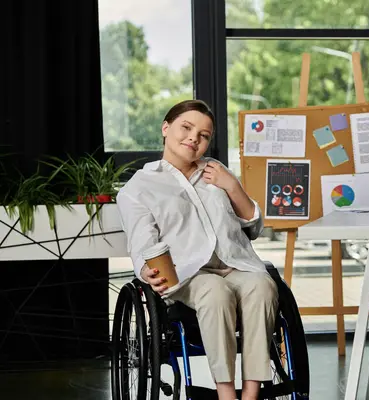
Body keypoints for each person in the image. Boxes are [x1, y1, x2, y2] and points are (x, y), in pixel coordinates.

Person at [116, 99, 278, 400]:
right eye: (186, 128)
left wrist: (232, 186)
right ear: (166, 128)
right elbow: (142, 243)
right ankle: (227, 393)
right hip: (189, 273)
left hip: (235, 264)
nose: (194, 138)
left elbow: (253, 229)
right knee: (215, 291)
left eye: (203, 135)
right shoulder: (139, 188)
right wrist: (146, 270)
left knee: (262, 285)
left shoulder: (217, 173)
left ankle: (251, 393)